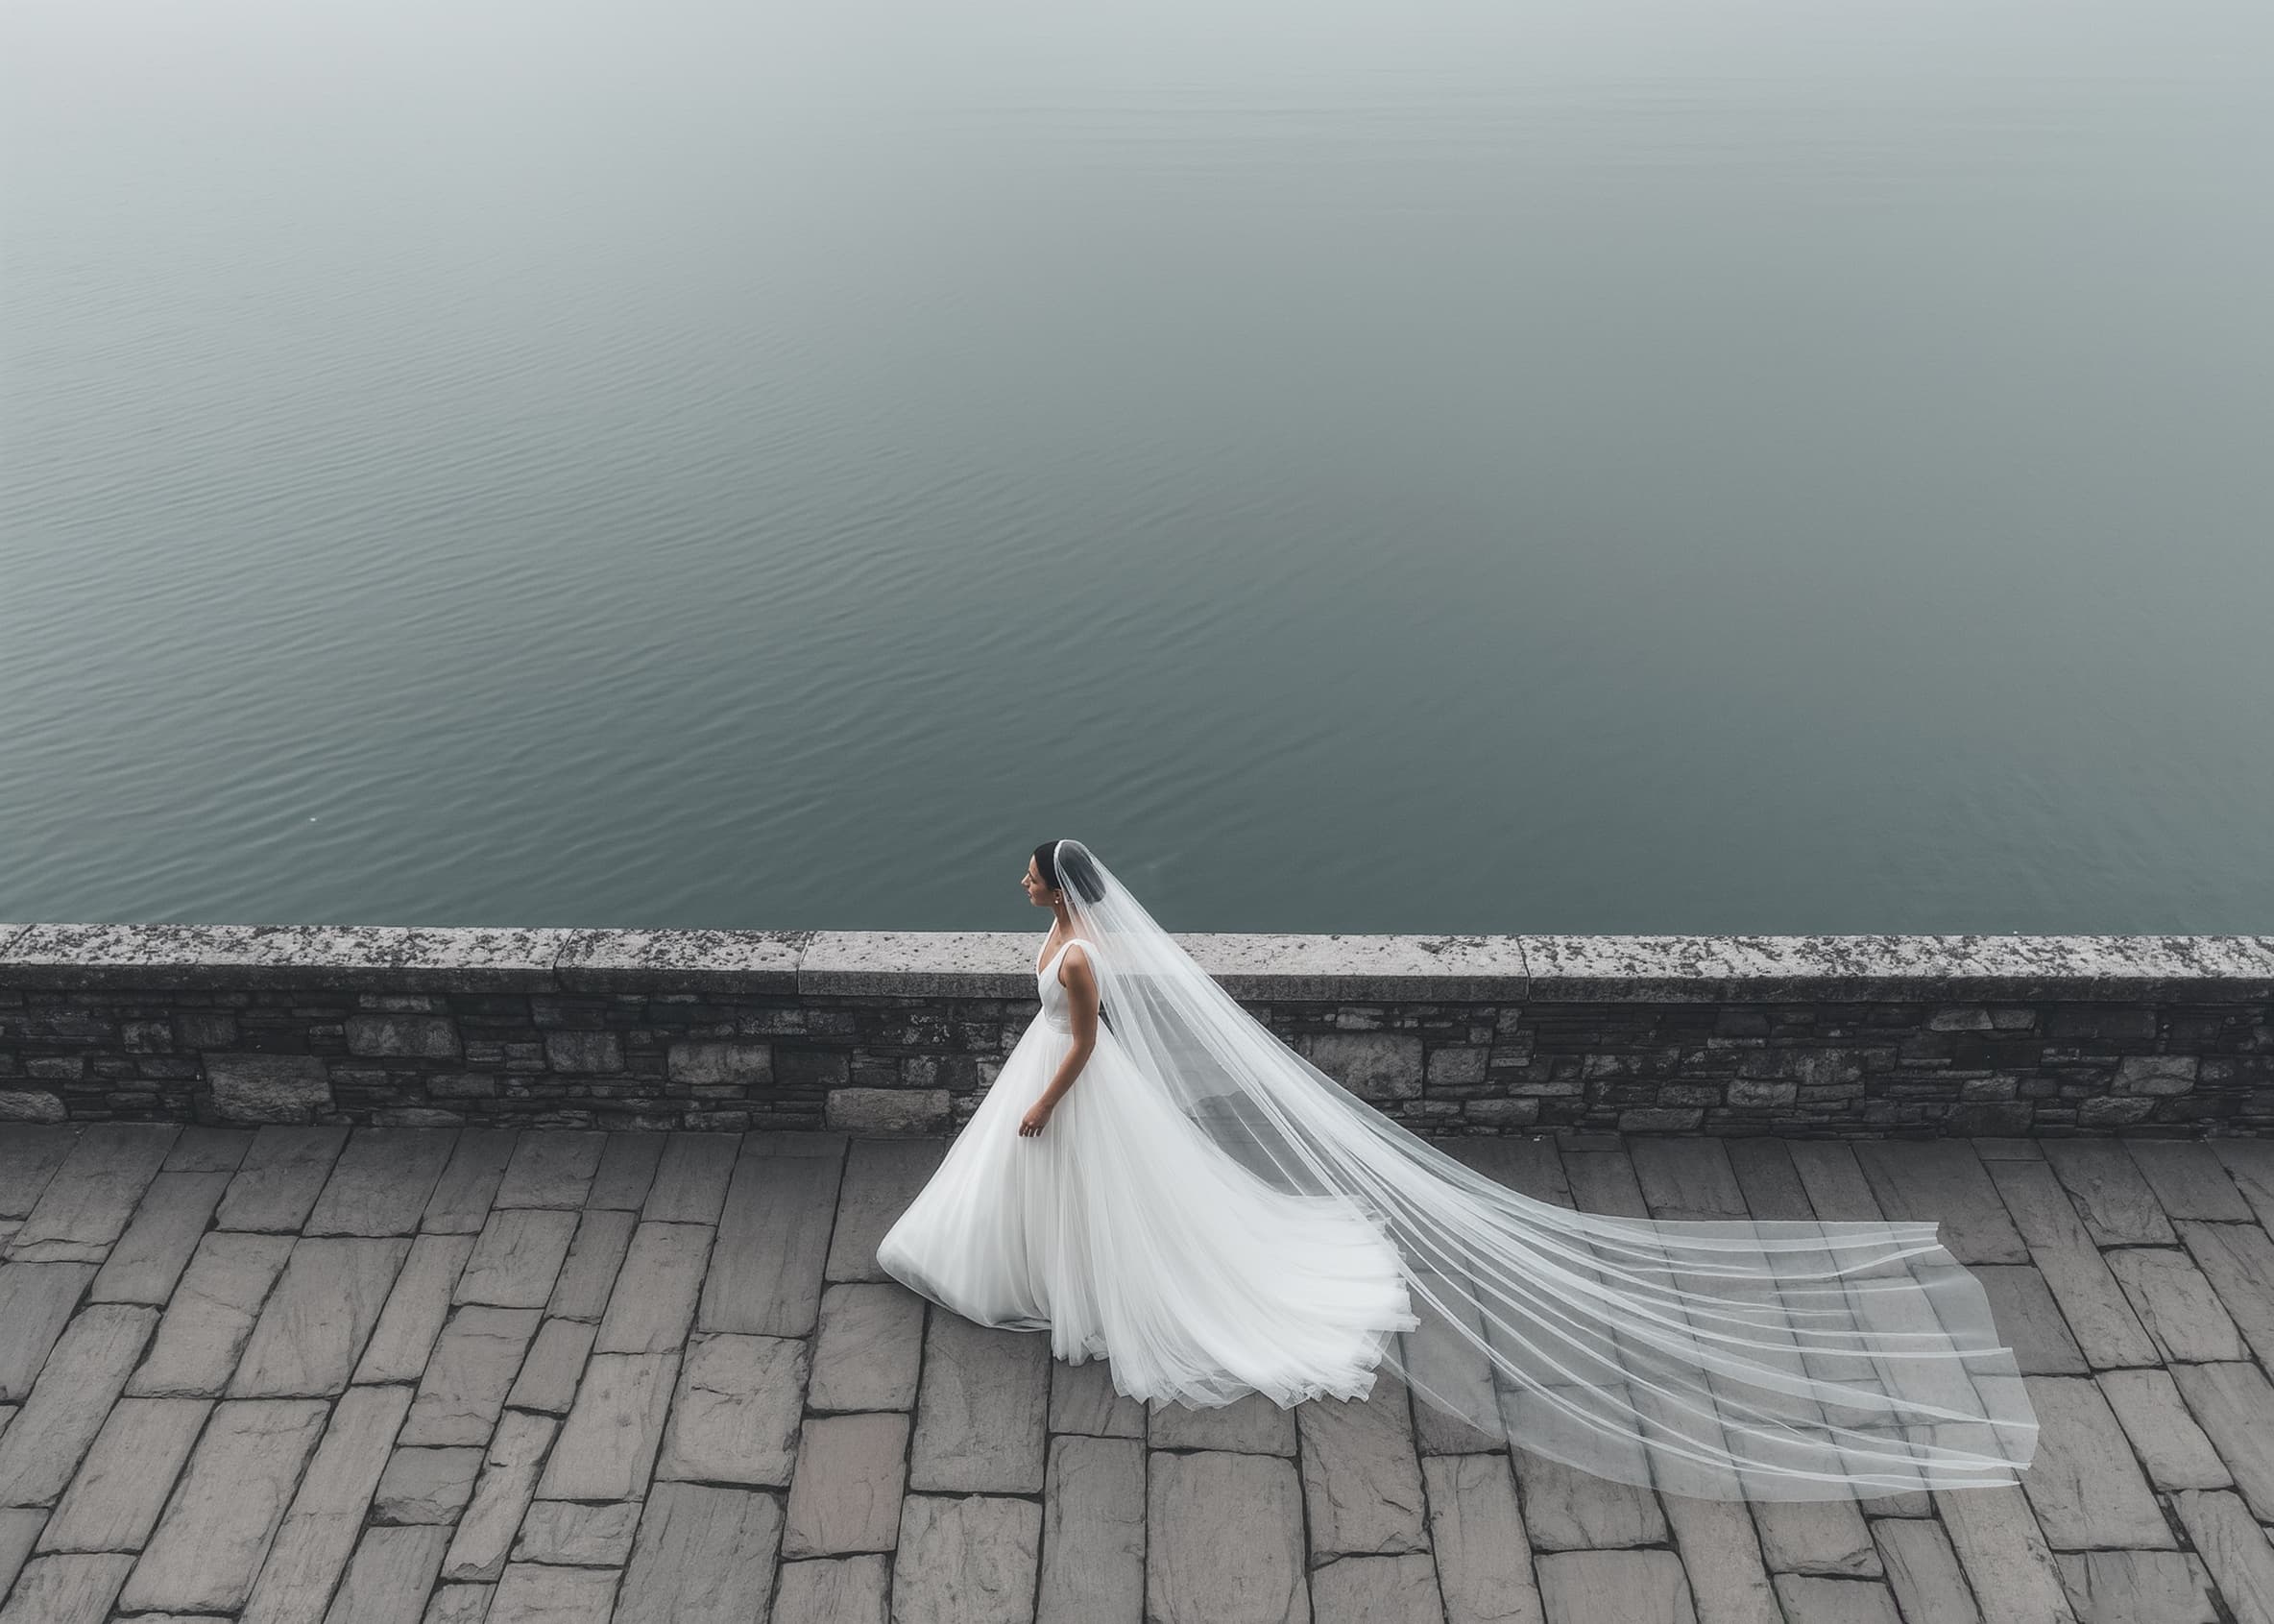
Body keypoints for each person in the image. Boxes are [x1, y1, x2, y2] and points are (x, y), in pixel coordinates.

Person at [875, 838, 2037, 1500]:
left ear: (1058, 890)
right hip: (1054, 1079)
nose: (1022, 887)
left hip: (1063, 1088)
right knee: (1052, 1209)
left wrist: (1035, 1106)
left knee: (1083, 1199)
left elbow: (1081, 1042)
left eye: (1031, 879)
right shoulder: (1073, 939)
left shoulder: (1079, 963)